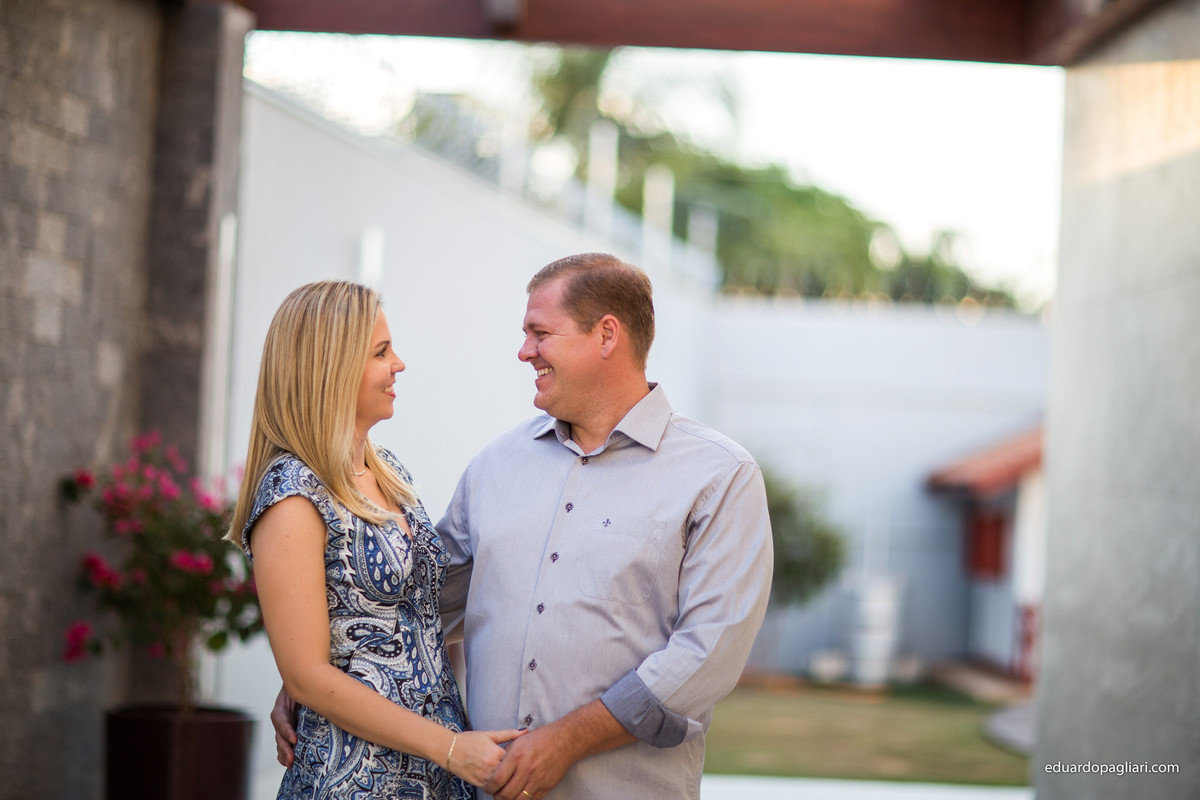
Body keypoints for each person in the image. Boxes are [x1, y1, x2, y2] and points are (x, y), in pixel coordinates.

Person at [274, 254, 774, 799]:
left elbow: (706, 656)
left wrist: (568, 741)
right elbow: (419, 600)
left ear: (607, 335)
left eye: (540, 333)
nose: (524, 351)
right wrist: (316, 674)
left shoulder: (718, 476)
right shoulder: (497, 465)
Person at [229, 280, 523, 800]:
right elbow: (308, 676)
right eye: (381, 352)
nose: (399, 364)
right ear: (332, 369)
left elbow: (417, 618)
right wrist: (451, 748)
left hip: (435, 776)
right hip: (354, 781)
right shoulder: (292, 494)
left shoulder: (388, 471)